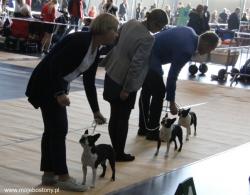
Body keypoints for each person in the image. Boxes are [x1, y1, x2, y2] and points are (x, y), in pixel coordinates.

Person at [25, 13, 119, 191]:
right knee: (59, 129)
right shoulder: (80, 41)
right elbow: (54, 64)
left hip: (54, 86)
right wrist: (59, 92)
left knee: (52, 130)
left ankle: (49, 175)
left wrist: (96, 111)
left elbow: (89, 82)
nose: (116, 35)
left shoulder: (94, 48)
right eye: (115, 30)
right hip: (47, 85)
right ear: (105, 30)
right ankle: (63, 177)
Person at [100, 9, 168, 162]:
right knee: (122, 118)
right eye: (161, 27)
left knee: (114, 115)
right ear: (155, 23)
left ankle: (115, 150)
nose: (160, 30)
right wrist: (127, 88)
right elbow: (136, 64)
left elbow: (116, 41)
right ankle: (119, 153)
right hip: (124, 81)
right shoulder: (148, 38)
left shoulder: (131, 22)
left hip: (111, 71)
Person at [138, 27, 219, 140]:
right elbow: (172, 76)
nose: (208, 52)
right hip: (150, 56)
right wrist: (171, 102)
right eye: (210, 49)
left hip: (147, 50)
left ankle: (143, 128)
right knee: (159, 91)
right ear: (206, 43)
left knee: (147, 91)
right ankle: (151, 131)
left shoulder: (190, 31)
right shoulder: (187, 50)